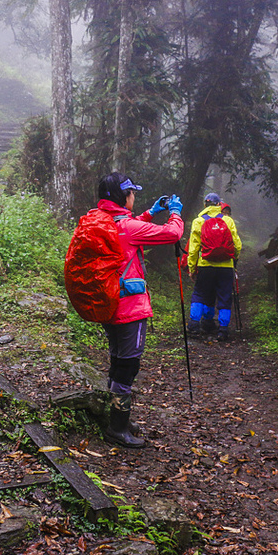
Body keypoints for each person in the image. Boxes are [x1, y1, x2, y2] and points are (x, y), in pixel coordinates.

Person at [95, 173, 184, 448]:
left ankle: (116, 416)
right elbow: (173, 233)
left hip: (108, 304)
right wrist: (175, 213)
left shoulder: (101, 221)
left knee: (117, 359)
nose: (134, 196)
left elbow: (130, 229)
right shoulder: (129, 227)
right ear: (124, 197)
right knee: (127, 366)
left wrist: (150, 213)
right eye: (132, 193)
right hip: (129, 309)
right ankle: (117, 427)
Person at [187, 192, 242, 342]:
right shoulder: (228, 220)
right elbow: (237, 245)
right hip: (226, 266)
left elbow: (193, 249)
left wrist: (192, 268)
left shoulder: (198, 221)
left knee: (200, 293)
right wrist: (234, 260)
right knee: (224, 296)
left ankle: (195, 325)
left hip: (205, 265)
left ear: (205, 205)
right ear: (219, 205)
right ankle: (223, 330)